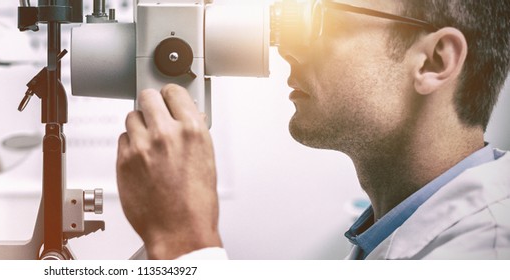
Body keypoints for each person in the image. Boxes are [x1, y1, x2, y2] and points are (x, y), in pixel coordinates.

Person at [116, 0, 510, 259]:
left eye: (322, 20)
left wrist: (183, 240)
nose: (289, 50)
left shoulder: (484, 250)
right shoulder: (385, 234)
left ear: (433, 62)